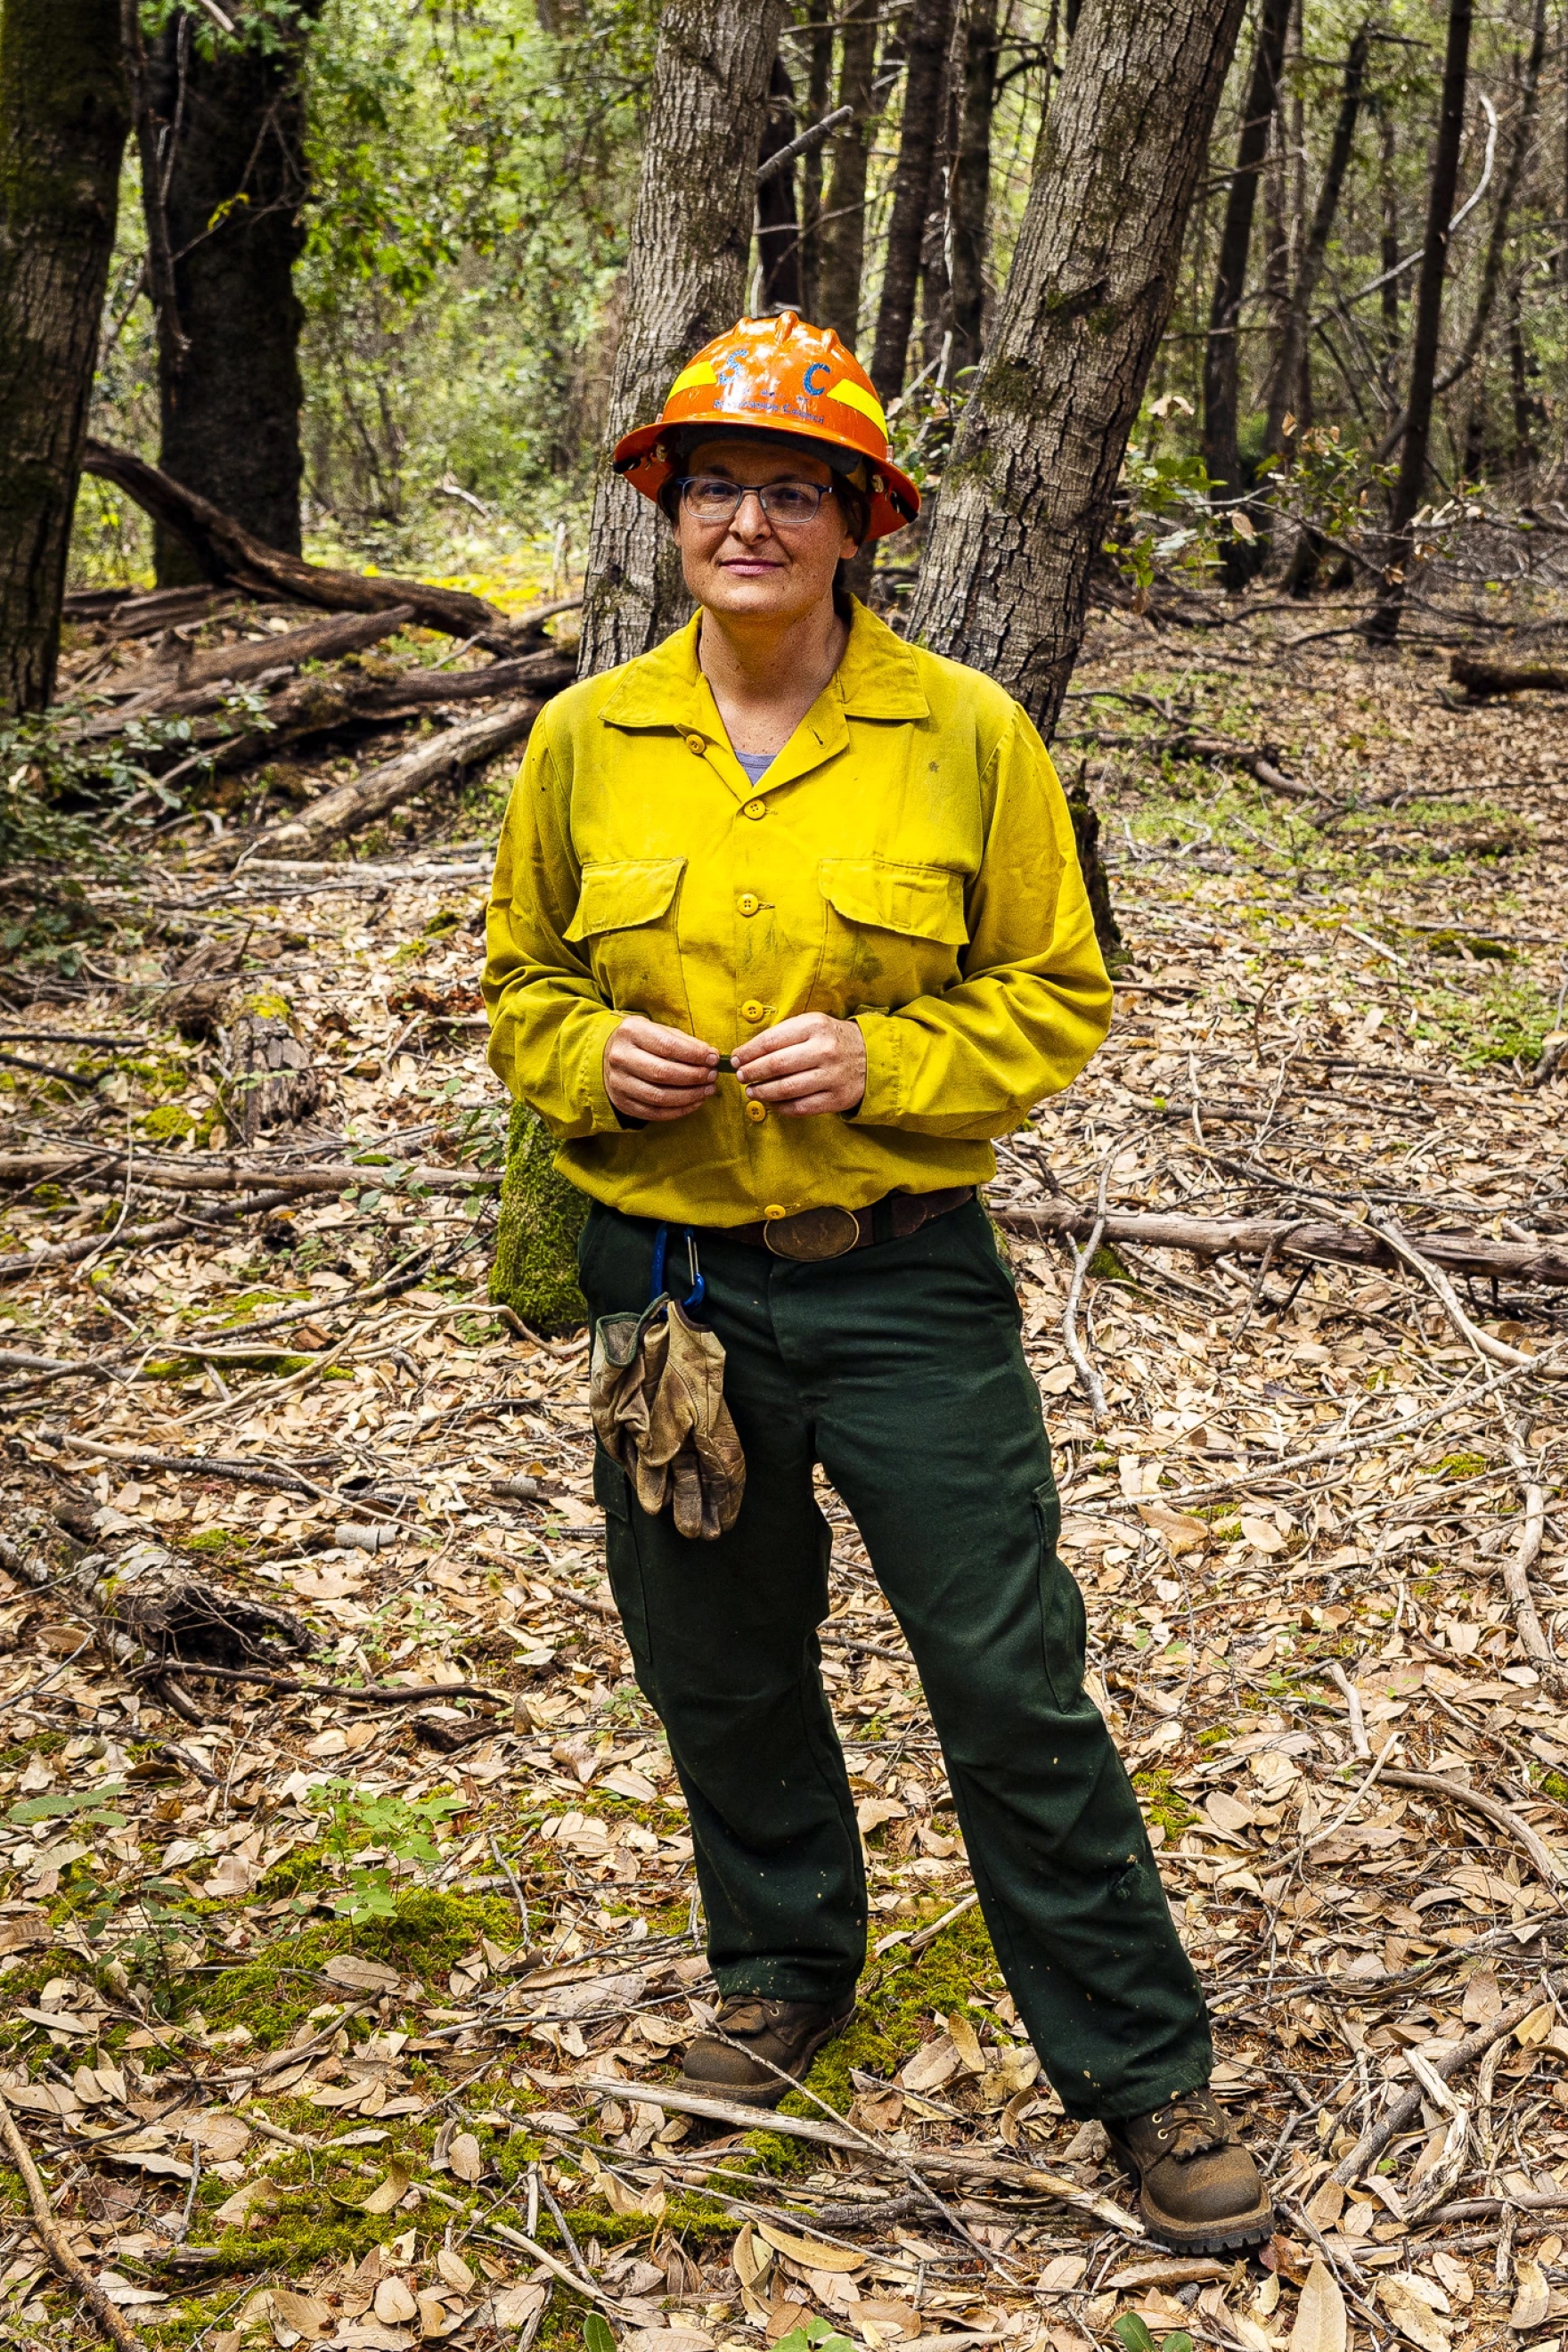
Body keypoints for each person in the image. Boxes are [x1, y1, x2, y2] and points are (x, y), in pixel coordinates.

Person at [484, 312, 1271, 2254]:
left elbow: (1060, 990)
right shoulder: (586, 740)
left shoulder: (970, 737)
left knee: (1008, 1681)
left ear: (857, 524)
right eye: (714, 486)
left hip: (903, 1282)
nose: (748, 519)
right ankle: (780, 1970)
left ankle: (1141, 2071)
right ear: (666, 514)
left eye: (794, 491)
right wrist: (593, 1061)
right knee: (718, 1661)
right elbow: (519, 986)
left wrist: (890, 1066)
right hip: (663, 1281)